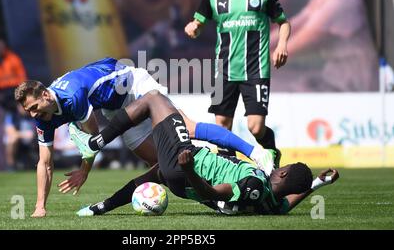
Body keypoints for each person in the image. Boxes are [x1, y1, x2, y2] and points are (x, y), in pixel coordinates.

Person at [15, 57, 275, 217]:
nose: (32, 114)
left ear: (46, 96)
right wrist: (40, 207)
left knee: (187, 126)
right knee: (162, 163)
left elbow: (94, 137)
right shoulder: (44, 116)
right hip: (115, 106)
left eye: (34, 107)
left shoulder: (72, 98)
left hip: (133, 85)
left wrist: (85, 171)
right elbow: (44, 162)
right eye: (28, 111)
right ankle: (217, 202)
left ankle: (255, 152)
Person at [69, 91, 339, 216]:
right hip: (182, 180)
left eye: (284, 166)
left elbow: (214, 192)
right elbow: (289, 202)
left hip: (188, 165)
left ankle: (95, 143)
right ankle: (100, 208)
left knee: (155, 99)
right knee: (150, 178)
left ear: (283, 171)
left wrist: (188, 169)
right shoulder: (270, 204)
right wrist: (318, 184)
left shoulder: (255, 183)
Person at [184, 0, 291, 161]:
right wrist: (193, 27)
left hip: (256, 68)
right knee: (222, 127)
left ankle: (271, 153)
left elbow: (284, 22)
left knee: (256, 127)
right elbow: (197, 22)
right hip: (224, 70)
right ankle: (231, 174)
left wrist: (282, 45)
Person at [0, 38, 28, 113]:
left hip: (13, 89)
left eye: (1, 48)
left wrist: (22, 92)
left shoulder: (13, 59)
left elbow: (22, 77)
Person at [3, 103, 37, 171]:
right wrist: (24, 134)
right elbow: (10, 132)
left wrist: (33, 135)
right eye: (22, 106)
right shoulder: (12, 116)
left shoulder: (34, 115)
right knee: (11, 140)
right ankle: (10, 165)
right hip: (19, 141)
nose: (24, 108)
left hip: (34, 141)